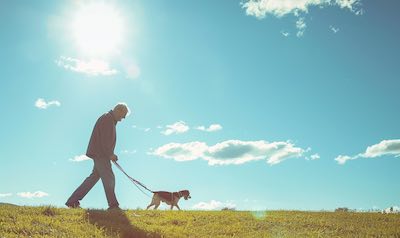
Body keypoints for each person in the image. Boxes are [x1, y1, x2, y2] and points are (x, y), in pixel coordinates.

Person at [65, 103, 130, 210]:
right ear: (118, 110)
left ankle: (72, 201)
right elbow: (104, 140)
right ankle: (113, 205)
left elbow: (105, 140)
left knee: (94, 178)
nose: (123, 119)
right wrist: (110, 154)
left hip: (100, 153)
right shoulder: (107, 119)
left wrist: (110, 154)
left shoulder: (109, 119)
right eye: (123, 115)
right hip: (101, 154)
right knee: (109, 178)